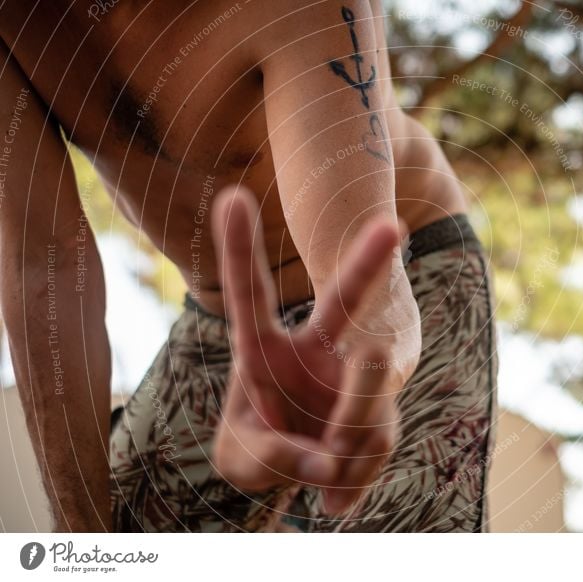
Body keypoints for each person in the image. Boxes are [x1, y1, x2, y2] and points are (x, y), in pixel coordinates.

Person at [0, 0, 497, 532]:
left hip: (408, 271)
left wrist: (359, 373)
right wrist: (79, 537)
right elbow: (40, 263)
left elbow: (363, 272)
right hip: (224, 317)